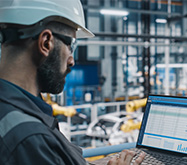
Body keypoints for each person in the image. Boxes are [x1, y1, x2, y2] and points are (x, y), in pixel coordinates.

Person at [0, 0, 145, 164]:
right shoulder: (29, 138)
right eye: (71, 46)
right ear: (46, 42)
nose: (71, 61)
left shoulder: (20, 113)